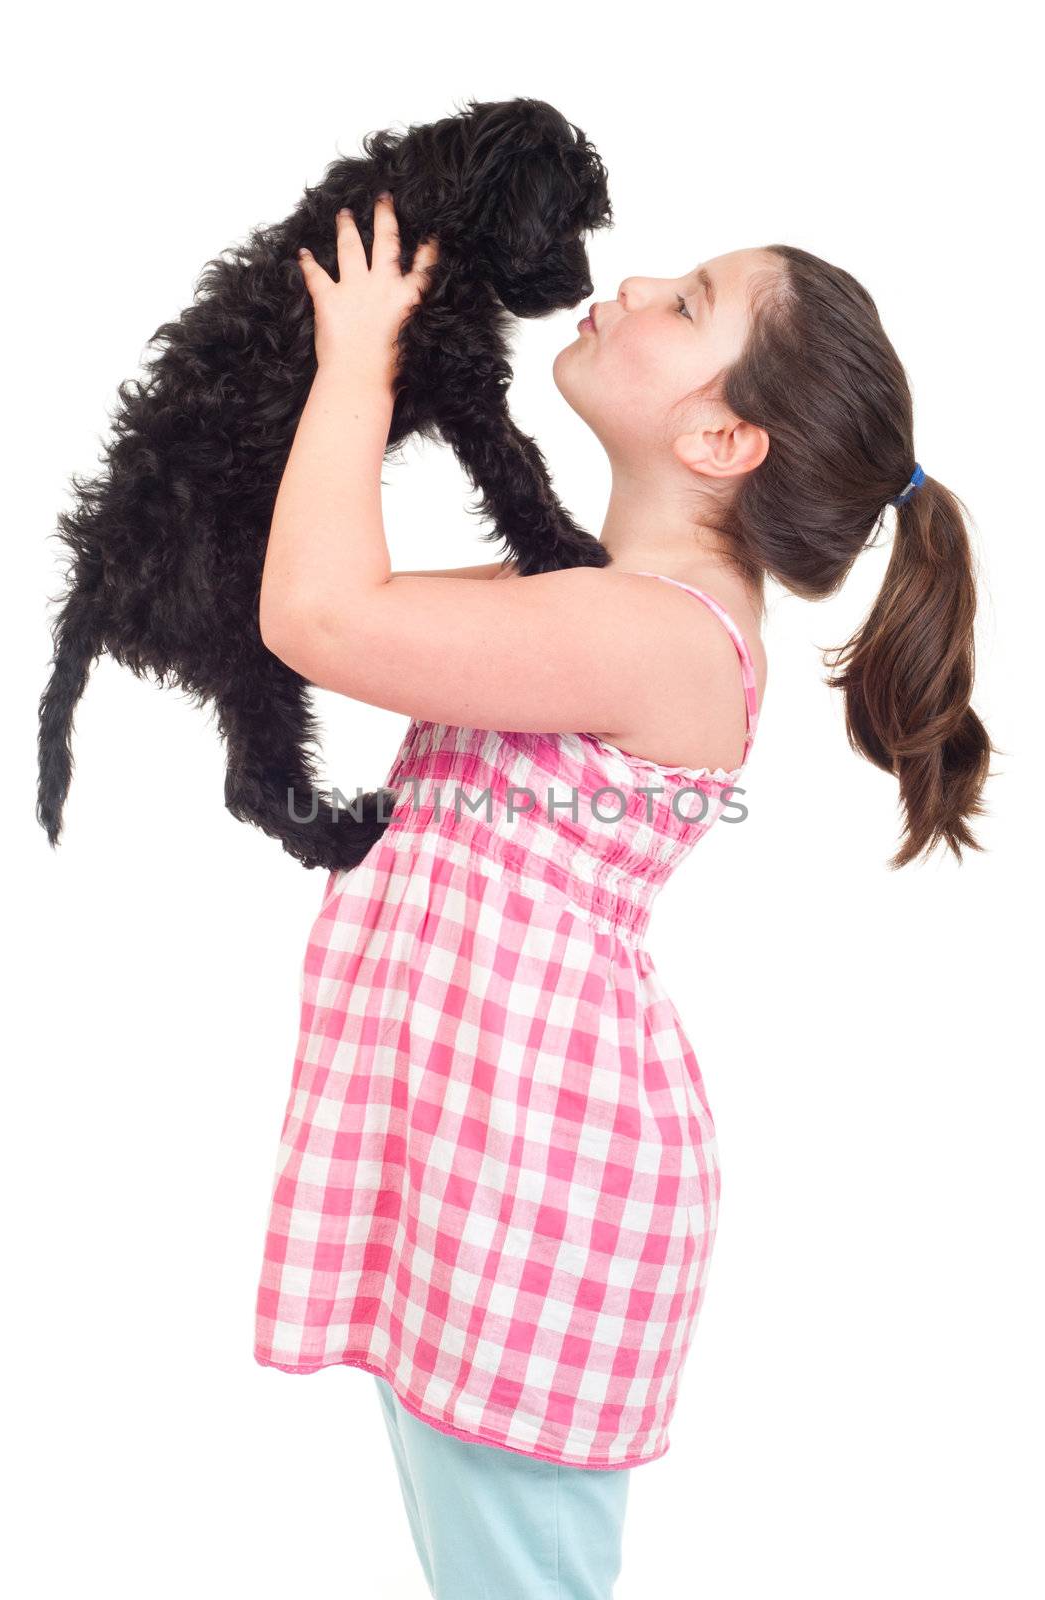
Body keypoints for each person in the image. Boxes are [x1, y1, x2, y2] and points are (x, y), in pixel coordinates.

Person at [252, 198, 994, 1599]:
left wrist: (359, 361)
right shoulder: (593, 594)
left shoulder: (661, 636)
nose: (639, 278)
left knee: (518, 1579)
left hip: (539, 1174)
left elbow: (324, 620)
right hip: (473, 1142)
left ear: (721, 442)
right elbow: (319, 587)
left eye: (691, 302)